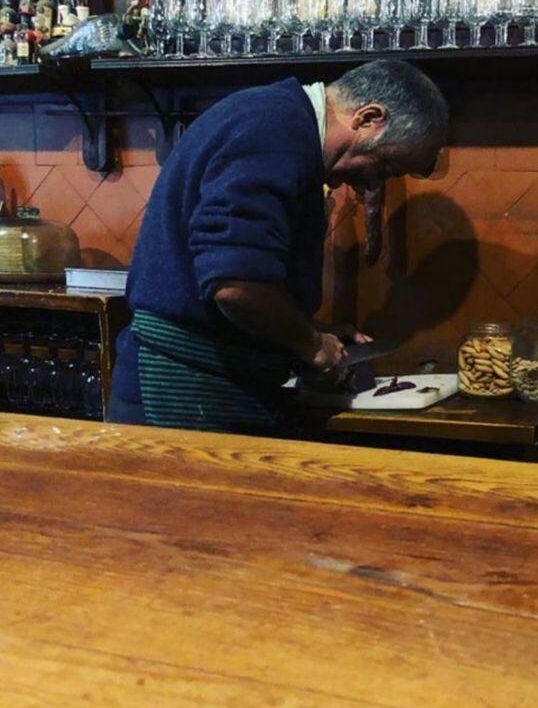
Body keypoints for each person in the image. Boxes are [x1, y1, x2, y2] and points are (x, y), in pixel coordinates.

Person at [108, 60, 448, 435]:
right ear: (368, 119)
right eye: (383, 166)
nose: (370, 185)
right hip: (183, 390)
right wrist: (312, 342)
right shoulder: (276, 132)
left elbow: (236, 276)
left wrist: (309, 328)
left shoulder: (276, 120)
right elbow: (235, 285)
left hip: (208, 385)